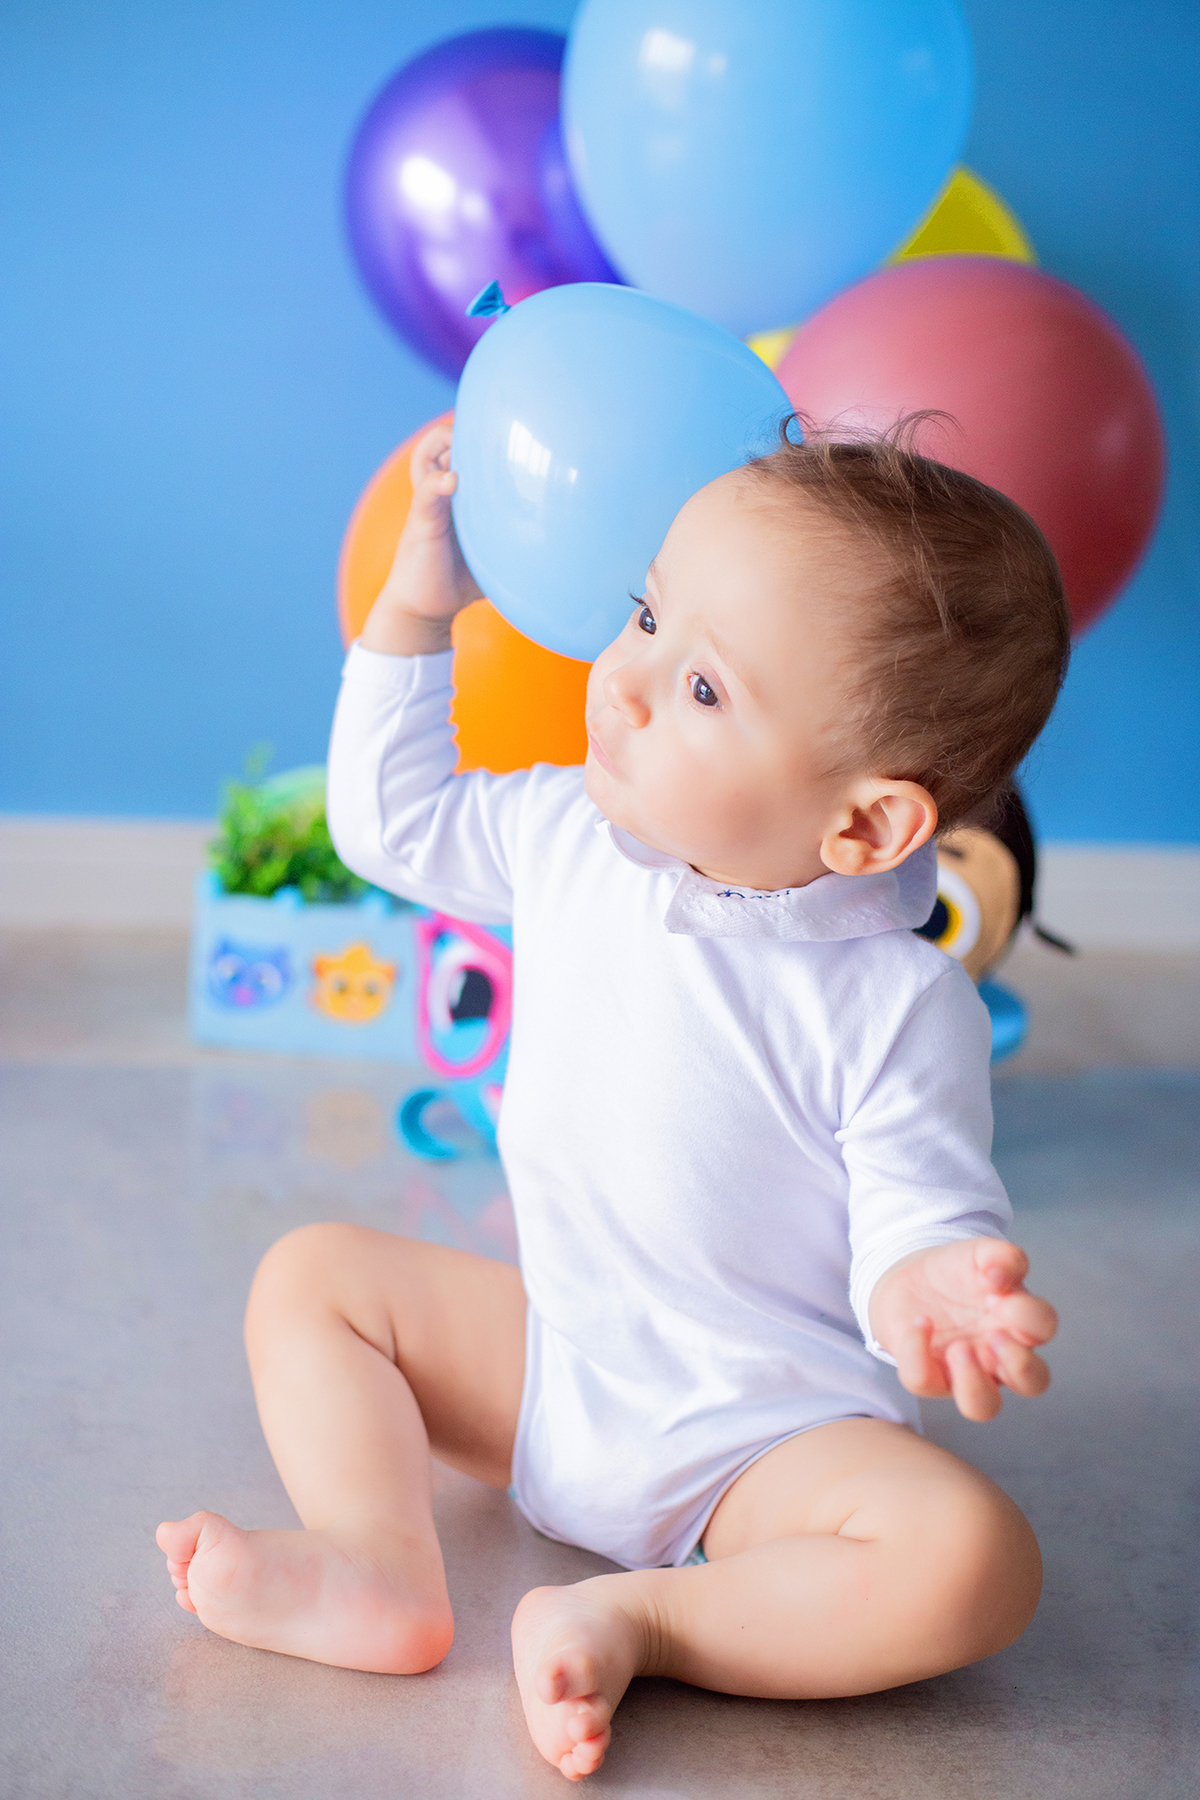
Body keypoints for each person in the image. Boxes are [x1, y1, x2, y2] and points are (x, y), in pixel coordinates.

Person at [157, 417, 1065, 1781]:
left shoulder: (895, 1000)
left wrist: (929, 1284)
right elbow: (386, 823)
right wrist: (417, 607)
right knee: (312, 1277)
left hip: (768, 1442)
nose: (622, 681)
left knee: (976, 1560)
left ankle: (652, 1618)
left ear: (866, 828)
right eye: (645, 611)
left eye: (701, 685)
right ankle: (376, 1564)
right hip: (558, 1363)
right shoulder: (572, 839)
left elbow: (913, 1202)